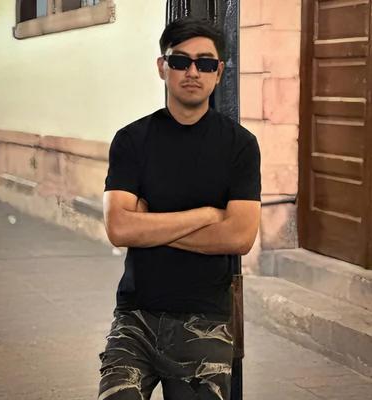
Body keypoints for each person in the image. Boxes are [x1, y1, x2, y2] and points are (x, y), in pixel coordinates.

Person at [98, 17, 261, 400]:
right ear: (163, 67)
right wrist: (207, 216)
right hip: (136, 315)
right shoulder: (132, 140)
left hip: (205, 318)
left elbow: (239, 236)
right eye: (180, 61)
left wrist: (148, 225)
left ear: (218, 72)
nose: (192, 71)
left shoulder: (239, 145)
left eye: (205, 63)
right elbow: (119, 229)